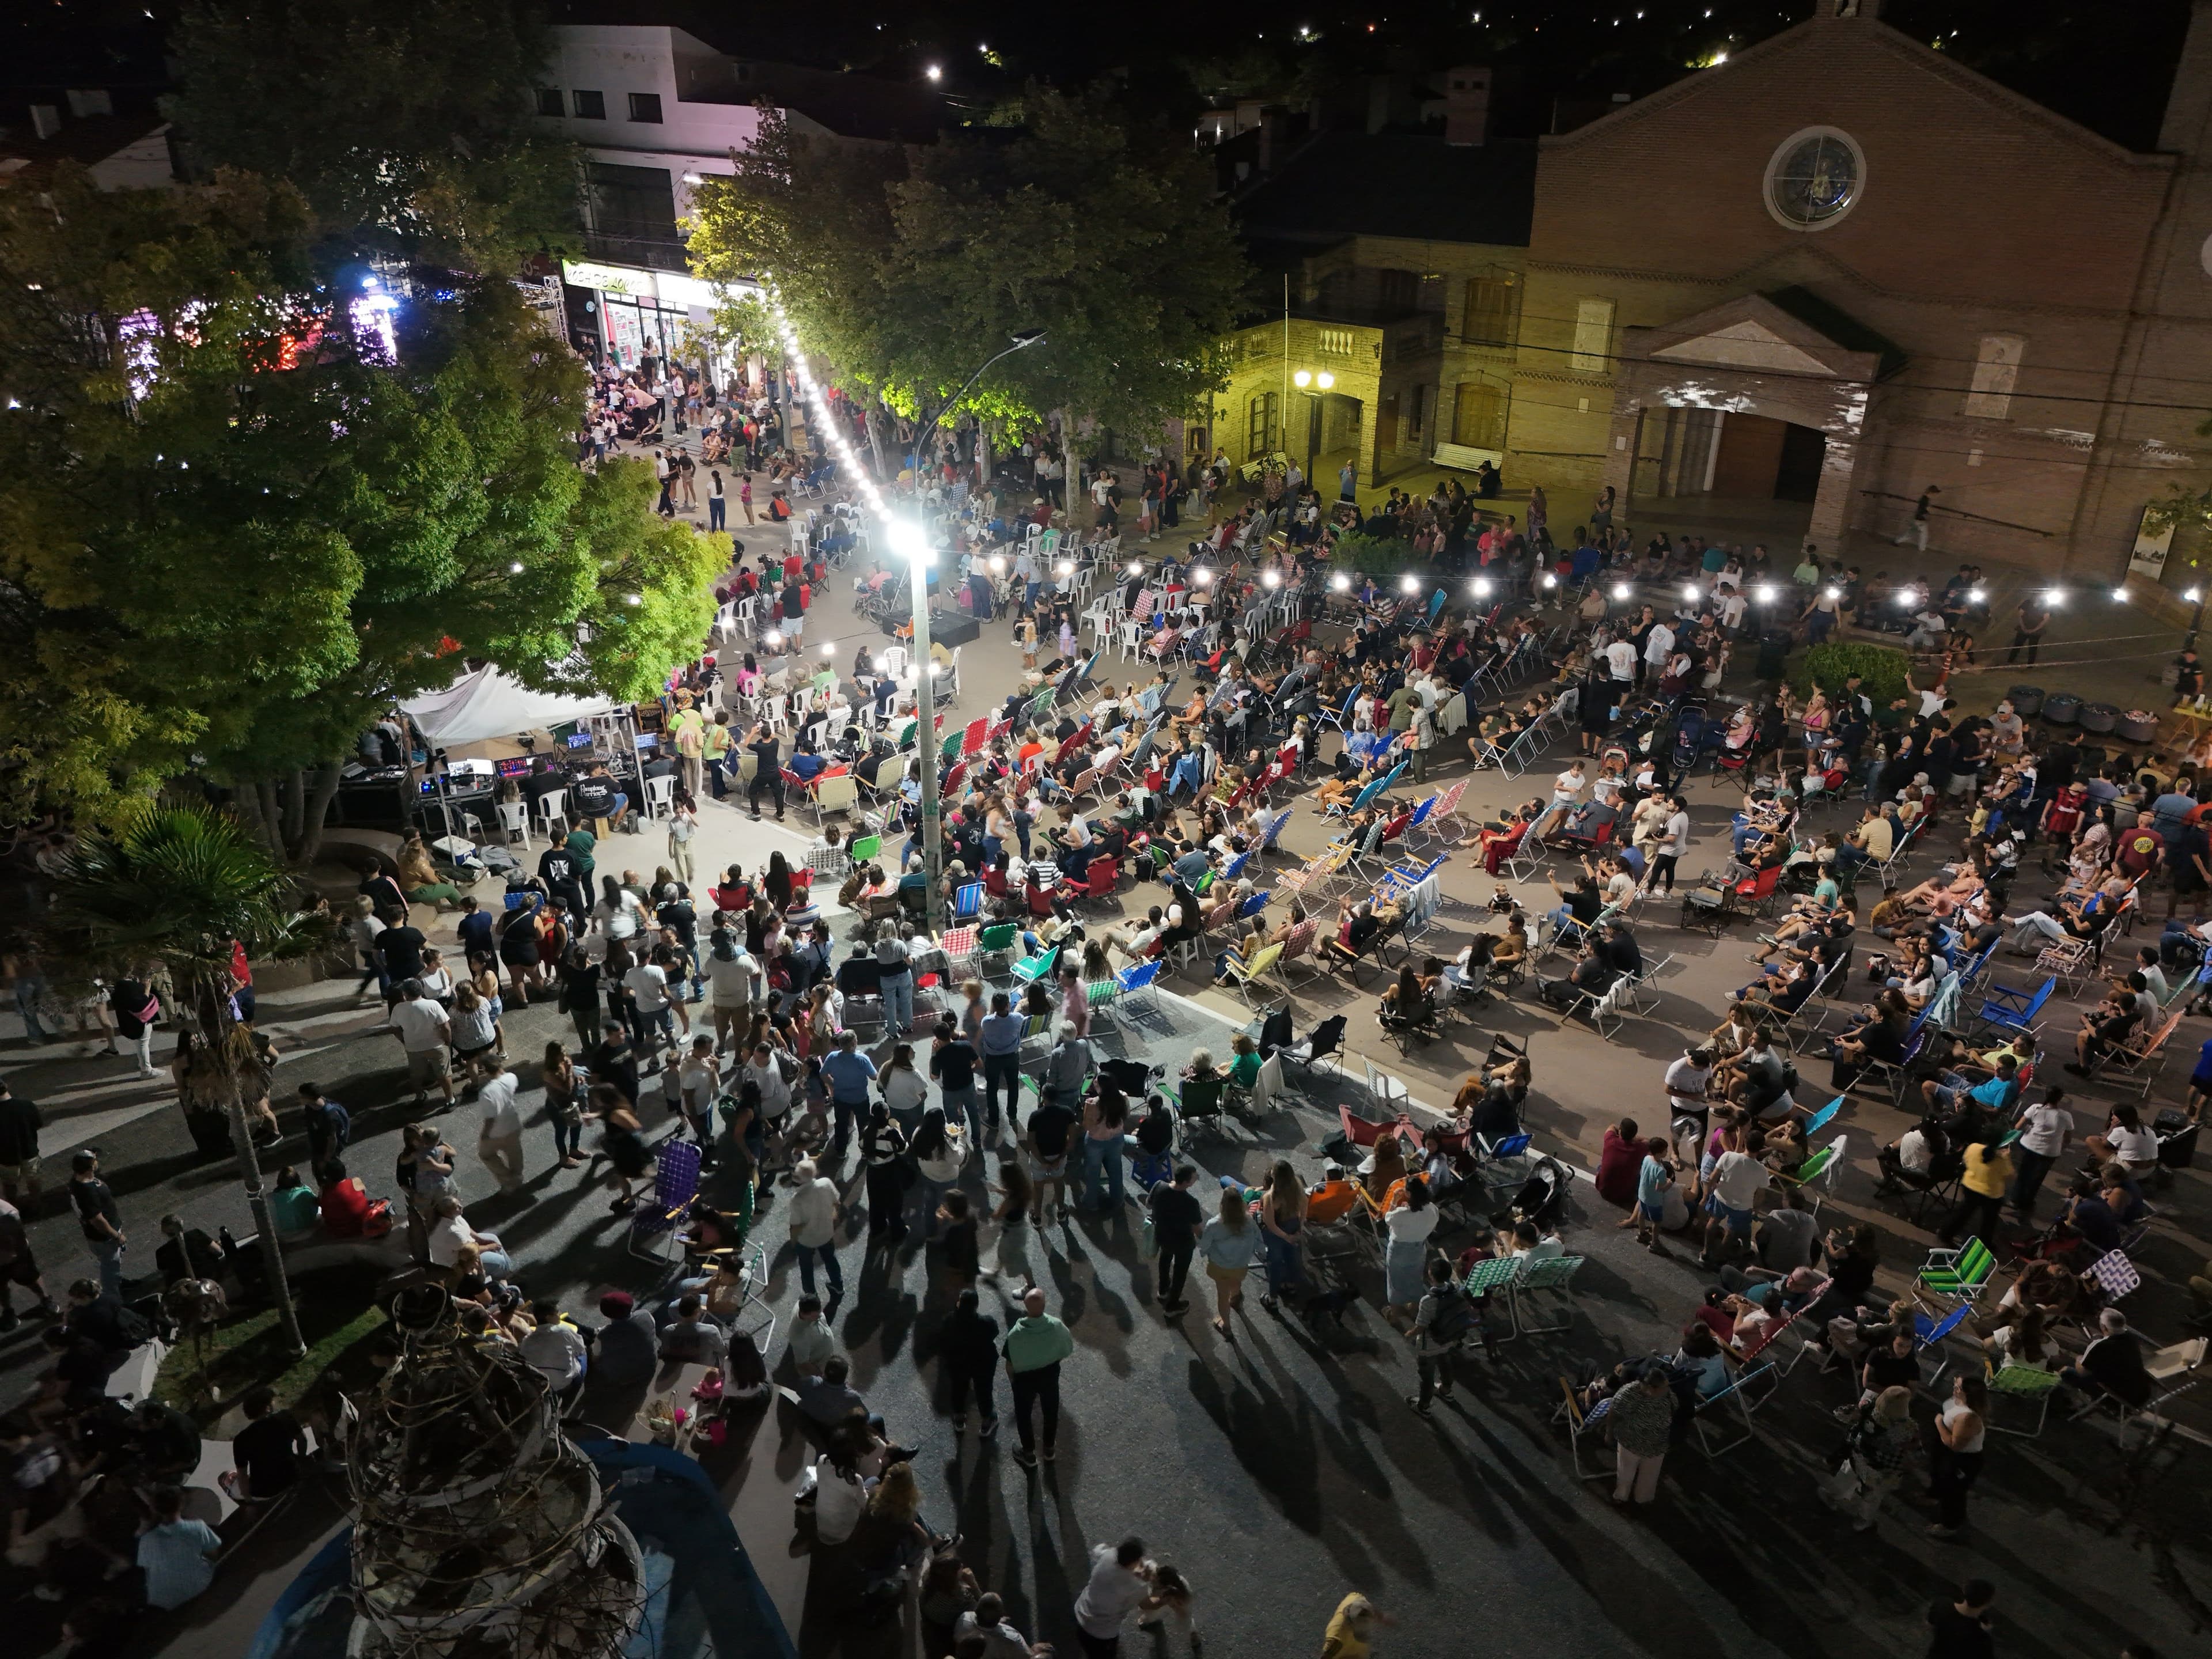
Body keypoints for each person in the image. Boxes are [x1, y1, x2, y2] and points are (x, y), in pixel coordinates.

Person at [1003, 1283, 1075, 1469]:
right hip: (1050, 1376)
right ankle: (1049, 1450)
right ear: (1044, 1307)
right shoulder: (1057, 1326)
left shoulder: (1016, 1335)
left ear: (1025, 1308)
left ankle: (1029, 1454)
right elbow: (1067, 1348)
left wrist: (1014, 1382)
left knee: (1024, 1415)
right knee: (1051, 1411)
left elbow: (1009, 1365)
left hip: (1025, 1381)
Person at [136, 1486, 222, 1609]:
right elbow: (213, 1555)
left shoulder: (146, 1540)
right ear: (181, 1505)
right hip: (199, 1585)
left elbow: (148, 1569)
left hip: (164, 1600)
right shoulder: (197, 1527)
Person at [1072, 1535, 1154, 1659]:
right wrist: (1148, 1582)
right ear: (1134, 1561)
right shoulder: (1136, 1586)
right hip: (1100, 1633)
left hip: (1081, 1611)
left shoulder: (1109, 1556)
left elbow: (1099, 1550)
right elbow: (1146, 1604)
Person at [1927, 1373, 1988, 1539]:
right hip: (1948, 1453)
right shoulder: (1959, 1401)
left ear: (1969, 1394)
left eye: (1958, 1387)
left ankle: (1951, 1525)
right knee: (1940, 1477)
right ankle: (1934, 1496)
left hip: (1963, 1460)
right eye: (1956, 1384)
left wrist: (1939, 1422)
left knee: (1954, 1494)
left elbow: (1955, 1445)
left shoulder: (1968, 1418)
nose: (1954, 1388)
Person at [1606, 1361, 1676, 1506]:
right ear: (1651, 1388)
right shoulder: (1629, 1393)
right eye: (1663, 1387)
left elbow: (1675, 1406)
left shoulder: (1667, 1394)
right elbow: (1614, 1411)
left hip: (1657, 1444)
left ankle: (1643, 1500)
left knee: (1650, 1476)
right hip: (1631, 1443)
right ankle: (1620, 1497)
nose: (1667, 1389)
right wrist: (1609, 1433)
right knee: (1626, 1475)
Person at [220, 1385, 306, 1503]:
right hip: (291, 1477)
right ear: (267, 1408)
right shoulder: (285, 1418)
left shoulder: (242, 1439)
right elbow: (302, 1440)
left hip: (264, 1492)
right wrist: (300, 1459)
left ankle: (241, 1502)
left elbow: (243, 1476)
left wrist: (249, 1501)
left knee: (224, 1478)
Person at [942, 1286, 1000, 1437]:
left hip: (959, 1363)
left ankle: (959, 1419)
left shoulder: (950, 1321)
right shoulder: (986, 1323)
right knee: (984, 1391)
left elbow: (943, 1339)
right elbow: (995, 1332)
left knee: (959, 1389)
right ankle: (987, 1422)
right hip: (982, 1363)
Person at [1147, 1163, 1205, 1316]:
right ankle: (1172, 1306)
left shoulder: (1159, 1186)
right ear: (1186, 1183)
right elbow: (1198, 1230)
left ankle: (1163, 1289)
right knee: (1180, 1273)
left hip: (1163, 1236)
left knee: (1165, 1259)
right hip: (1183, 1244)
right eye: (1194, 1178)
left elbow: (1148, 1204)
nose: (1196, 1179)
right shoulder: (1191, 1203)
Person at [69, 1150, 125, 1299]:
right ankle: (113, 1296)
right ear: (90, 1167)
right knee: (110, 1268)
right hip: (105, 1238)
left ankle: (119, 1284)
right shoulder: (87, 1191)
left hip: (98, 1236)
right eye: (94, 1160)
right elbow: (97, 1220)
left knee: (112, 1264)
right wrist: (116, 1235)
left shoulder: (78, 1181)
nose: (97, 1161)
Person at [786, 1158, 844, 1300]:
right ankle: (838, 1286)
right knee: (831, 1259)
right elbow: (837, 1203)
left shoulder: (797, 1199)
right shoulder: (826, 1183)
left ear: (799, 1178)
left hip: (807, 1240)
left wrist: (793, 1240)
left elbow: (796, 1225)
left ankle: (811, 1296)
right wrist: (834, 1220)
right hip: (826, 1233)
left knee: (806, 1269)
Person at [1925, 1580, 1998, 1659]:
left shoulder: (1941, 1604)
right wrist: (1985, 1632)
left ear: (1964, 1591)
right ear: (1988, 1604)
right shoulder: (1981, 1637)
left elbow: (1930, 1625)